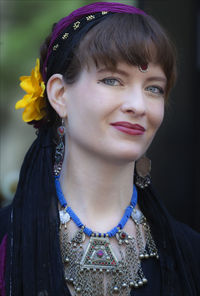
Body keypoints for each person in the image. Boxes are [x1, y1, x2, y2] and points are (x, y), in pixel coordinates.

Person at [0, 2, 199, 296]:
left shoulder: (190, 255)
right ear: (59, 94)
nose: (138, 105)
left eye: (153, 88)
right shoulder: (6, 240)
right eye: (112, 80)